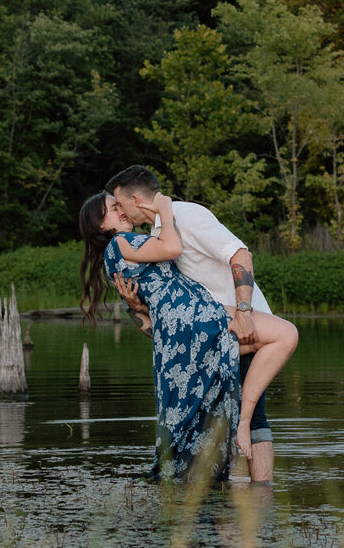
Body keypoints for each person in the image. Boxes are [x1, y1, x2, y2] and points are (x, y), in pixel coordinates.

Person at [105, 165, 298, 483]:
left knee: (252, 418)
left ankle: (260, 496)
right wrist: (135, 306)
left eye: (118, 204)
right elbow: (169, 319)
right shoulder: (156, 236)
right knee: (218, 423)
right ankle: (228, 503)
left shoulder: (186, 216)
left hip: (241, 325)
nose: (120, 212)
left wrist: (244, 312)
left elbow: (240, 254)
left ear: (135, 199)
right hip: (211, 334)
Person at [78, 189, 239, 482]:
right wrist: (165, 209)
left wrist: (139, 308)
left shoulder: (111, 259)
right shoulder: (121, 241)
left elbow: (143, 321)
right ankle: (208, 474)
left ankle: (183, 477)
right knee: (206, 400)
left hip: (170, 334)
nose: (123, 212)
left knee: (183, 407)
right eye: (115, 209)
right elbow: (172, 249)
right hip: (192, 320)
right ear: (102, 224)